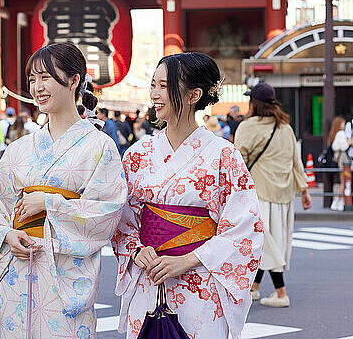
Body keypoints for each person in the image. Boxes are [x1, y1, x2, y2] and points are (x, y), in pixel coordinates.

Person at [112, 52, 263, 339]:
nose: (155, 94)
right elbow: (123, 220)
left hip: (199, 281)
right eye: (153, 85)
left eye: (163, 86)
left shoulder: (223, 155)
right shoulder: (137, 155)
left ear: (194, 95)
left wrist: (188, 259)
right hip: (150, 276)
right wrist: (136, 250)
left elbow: (245, 228)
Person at [0, 42, 127, 338]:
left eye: (46, 77)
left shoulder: (99, 146)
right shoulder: (19, 149)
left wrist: (50, 203)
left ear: (74, 80)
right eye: (32, 79)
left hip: (64, 274)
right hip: (14, 271)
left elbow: (107, 211)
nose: (37, 87)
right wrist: (8, 234)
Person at [235, 82, 311, 308]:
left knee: (264, 243)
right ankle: (254, 288)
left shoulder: (248, 127)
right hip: (285, 194)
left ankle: (281, 293)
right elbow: (296, 163)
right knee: (273, 240)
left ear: (253, 103)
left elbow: (239, 163)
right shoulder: (285, 128)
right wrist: (304, 191)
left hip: (259, 193)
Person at [328, 116, 350, 211]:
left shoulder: (335, 133)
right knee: (343, 182)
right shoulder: (341, 133)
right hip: (343, 161)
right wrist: (348, 142)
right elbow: (343, 147)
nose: (344, 125)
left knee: (343, 182)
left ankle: (338, 202)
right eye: (343, 123)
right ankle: (337, 202)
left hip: (339, 161)